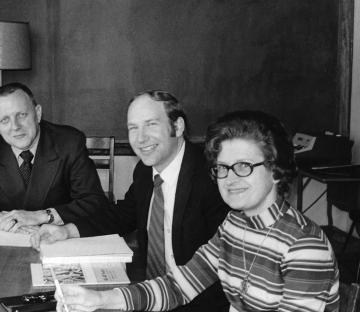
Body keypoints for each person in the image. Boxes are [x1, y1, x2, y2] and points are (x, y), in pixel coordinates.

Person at [53, 110, 339, 312]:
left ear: (277, 170)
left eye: (244, 166)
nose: (230, 178)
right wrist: (100, 300)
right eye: (223, 168)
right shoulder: (234, 226)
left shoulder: (304, 247)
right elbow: (179, 286)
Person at [32, 90, 229, 312]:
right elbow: (123, 215)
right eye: (133, 128)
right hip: (150, 294)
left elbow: (220, 269)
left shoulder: (214, 177)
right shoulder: (145, 171)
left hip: (199, 302)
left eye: (151, 124)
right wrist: (67, 230)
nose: (140, 138)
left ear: (178, 126)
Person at [0, 82, 108, 232]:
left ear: (38, 113)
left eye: (22, 115)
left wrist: (41, 216)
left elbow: (95, 202)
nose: (15, 127)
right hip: (8, 243)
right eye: (5, 120)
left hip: (59, 240)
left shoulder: (69, 142)